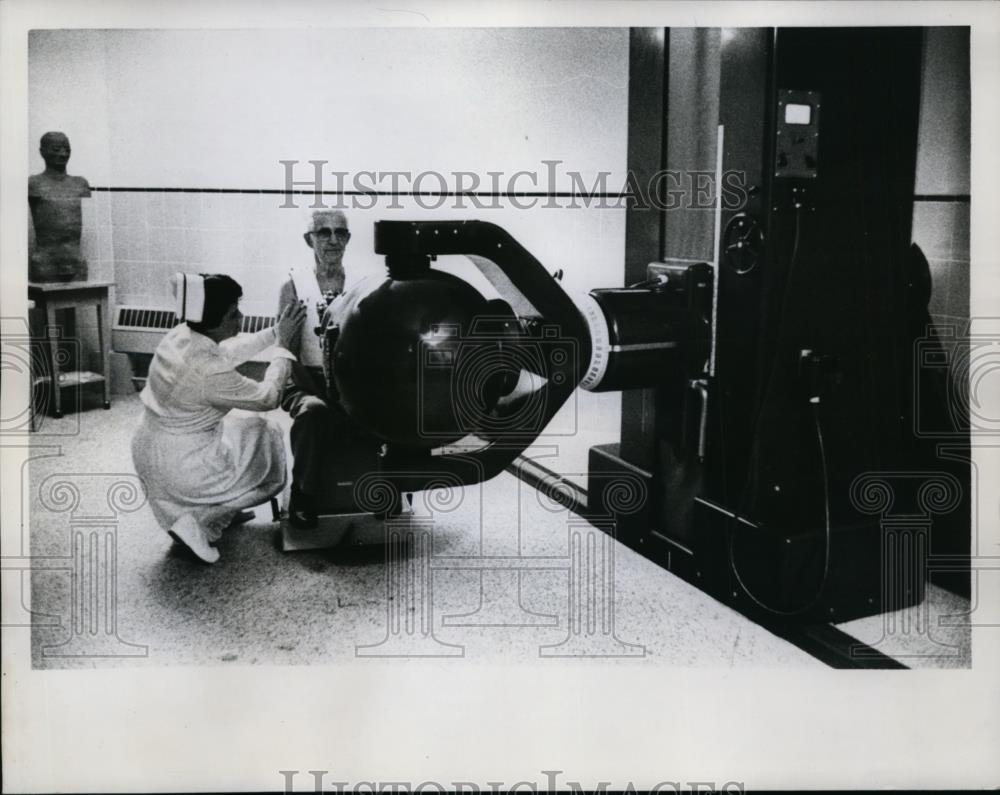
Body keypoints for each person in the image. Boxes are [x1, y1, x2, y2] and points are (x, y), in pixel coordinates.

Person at [132, 273, 307, 563]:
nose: (240, 316)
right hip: (183, 468)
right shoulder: (210, 372)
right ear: (215, 320)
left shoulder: (181, 335)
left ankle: (217, 512)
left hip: (150, 448)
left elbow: (228, 352)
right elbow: (269, 396)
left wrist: (277, 331)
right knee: (268, 437)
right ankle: (202, 517)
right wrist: (283, 347)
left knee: (246, 426)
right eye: (233, 313)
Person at [277, 210, 359, 528]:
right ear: (309, 239)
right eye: (324, 232)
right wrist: (323, 394)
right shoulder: (294, 287)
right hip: (303, 379)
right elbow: (288, 350)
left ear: (348, 239)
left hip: (349, 378)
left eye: (341, 233)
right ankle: (304, 494)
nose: (333, 240)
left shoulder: (360, 285)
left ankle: (385, 487)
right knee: (313, 412)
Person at [29, 131, 91, 282]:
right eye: (56, 149)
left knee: (76, 301)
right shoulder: (34, 183)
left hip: (75, 260)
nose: (63, 154)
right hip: (46, 261)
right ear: (42, 152)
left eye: (67, 150)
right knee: (48, 303)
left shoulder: (80, 184)